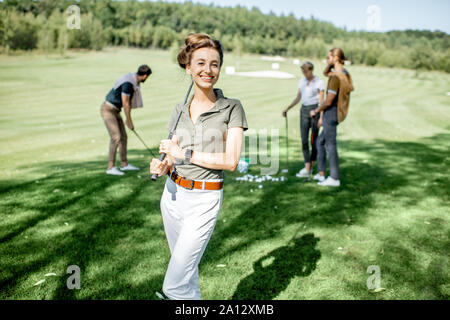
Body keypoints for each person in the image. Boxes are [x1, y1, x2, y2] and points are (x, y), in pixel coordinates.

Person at [150, 33, 248, 300]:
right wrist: (163, 165)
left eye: (214, 64)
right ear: (189, 67)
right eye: (201, 63)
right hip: (172, 196)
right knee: (186, 273)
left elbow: (231, 161)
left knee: (174, 285)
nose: (208, 70)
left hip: (204, 199)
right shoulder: (179, 109)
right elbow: (172, 155)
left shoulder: (232, 108)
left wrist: (184, 153)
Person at [310, 48, 354, 187]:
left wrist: (316, 110)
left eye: (328, 57)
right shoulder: (344, 73)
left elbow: (328, 101)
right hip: (335, 112)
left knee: (330, 145)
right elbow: (326, 72)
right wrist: (332, 63)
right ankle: (321, 173)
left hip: (331, 112)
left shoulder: (336, 77)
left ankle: (334, 178)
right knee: (320, 142)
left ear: (335, 58)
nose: (326, 60)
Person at [100, 65, 152, 175]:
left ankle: (124, 164)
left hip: (116, 110)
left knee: (123, 137)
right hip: (108, 109)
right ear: (145, 76)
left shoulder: (133, 80)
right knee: (116, 137)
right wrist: (129, 121)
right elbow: (126, 103)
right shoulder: (128, 84)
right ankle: (110, 167)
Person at [282, 62, 325, 178]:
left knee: (314, 141)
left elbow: (322, 102)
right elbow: (298, 97)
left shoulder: (319, 83)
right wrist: (287, 108)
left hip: (314, 111)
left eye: (306, 71)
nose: (305, 74)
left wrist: (321, 117)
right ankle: (307, 167)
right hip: (304, 111)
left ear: (311, 70)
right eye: (303, 72)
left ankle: (311, 165)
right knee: (304, 140)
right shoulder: (302, 82)